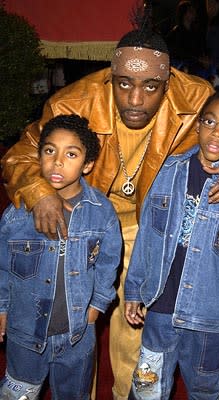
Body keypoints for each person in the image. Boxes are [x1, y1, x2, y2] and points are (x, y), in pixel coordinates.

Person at [1, 8, 219, 399]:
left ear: (169, 80)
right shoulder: (73, 101)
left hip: (154, 227)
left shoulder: (195, 97)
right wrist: (40, 193)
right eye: (123, 85)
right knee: (71, 323)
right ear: (110, 78)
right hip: (84, 222)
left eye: (151, 87)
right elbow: (21, 155)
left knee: (135, 328)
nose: (135, 99)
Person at [124, 89, 219, 399]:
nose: (218, 133)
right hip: (160, 304)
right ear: (198, 125)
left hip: (208, 319)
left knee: (203, 391)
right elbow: (148, 233)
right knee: (147, 388)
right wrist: (134, 288)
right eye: (211, 122)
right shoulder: (167, 173)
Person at [0, 114, 122, 399]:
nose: (57, 161)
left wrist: (98, 305)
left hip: (77, 335)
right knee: (19, 393)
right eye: (49, 151)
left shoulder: (100, 211)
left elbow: (108, 261)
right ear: (38, 155)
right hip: (25, 332)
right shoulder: (18, 213)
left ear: (87, 164)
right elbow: (3, 266)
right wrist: (2, 307)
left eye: (71, 154)